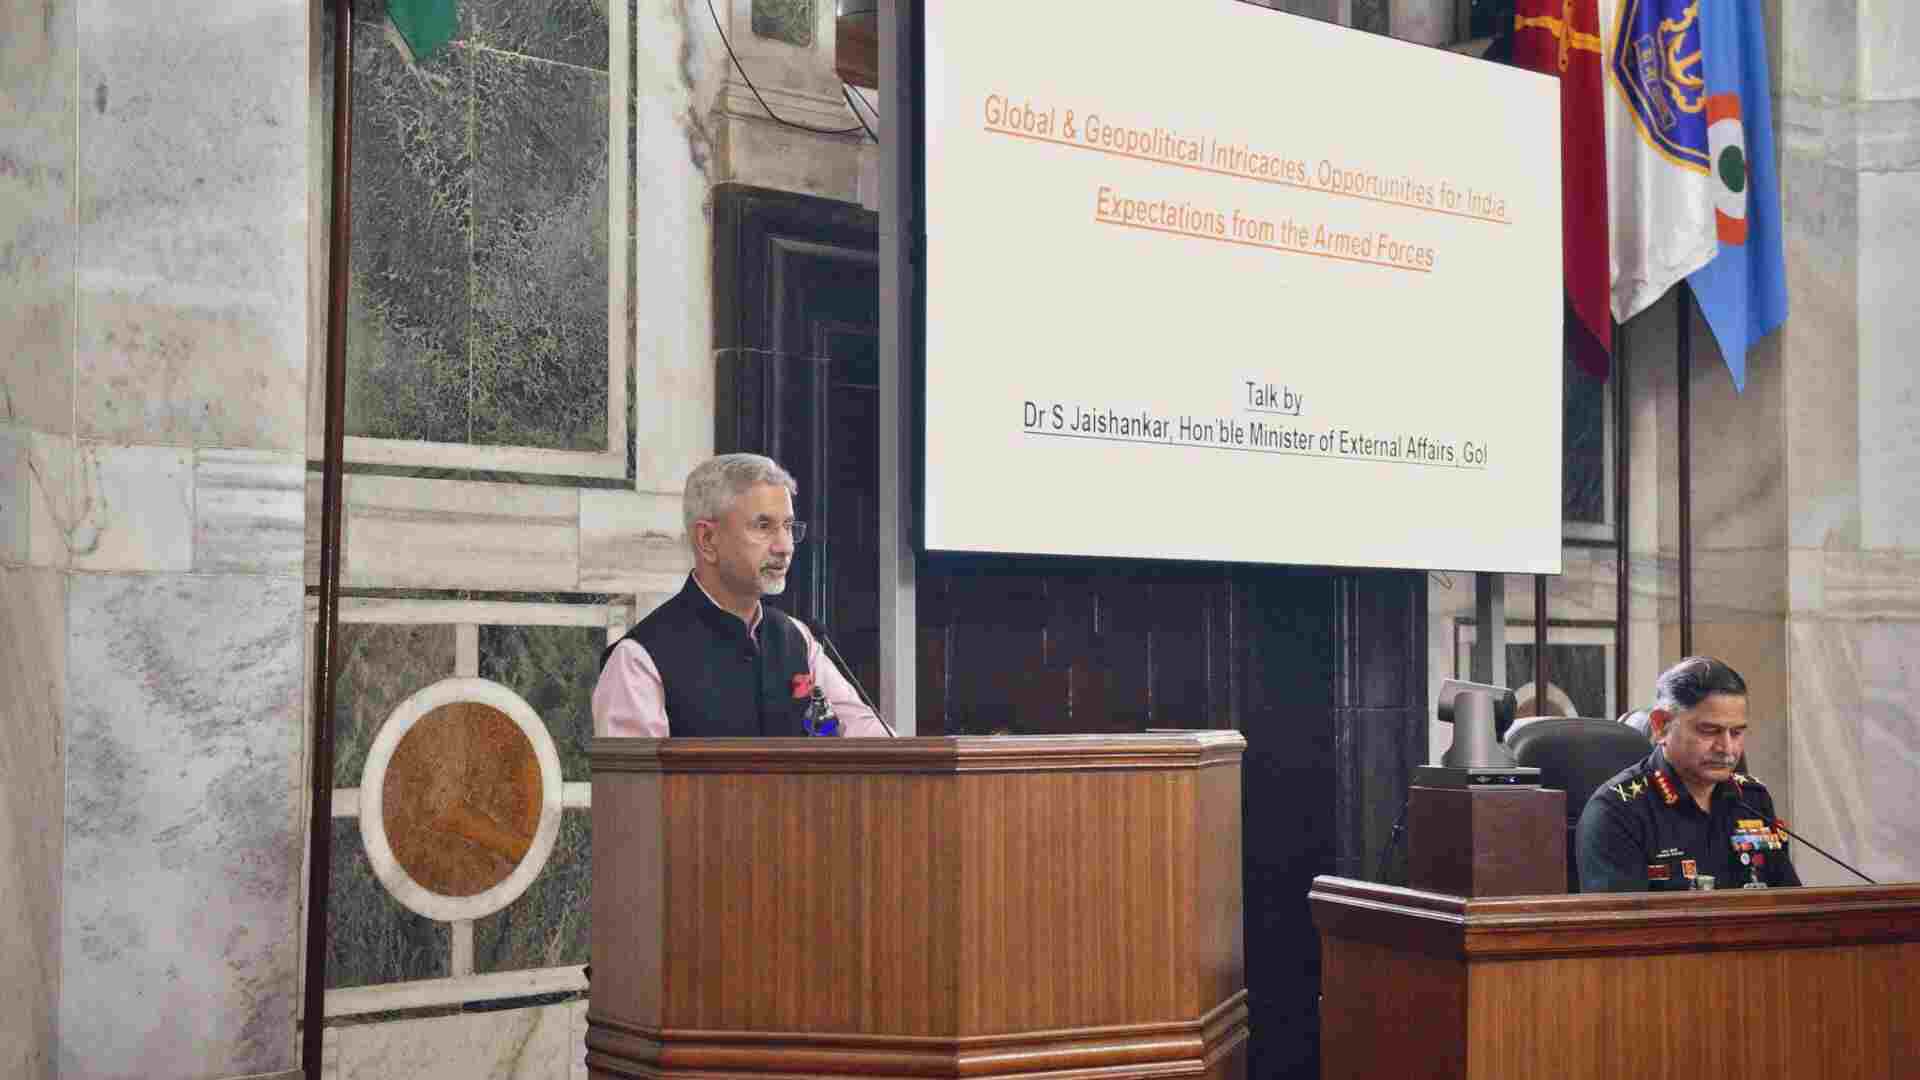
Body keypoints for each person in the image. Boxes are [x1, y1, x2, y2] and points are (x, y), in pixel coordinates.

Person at [591, 453, 888, 738]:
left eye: (787, 526)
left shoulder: (797, 638)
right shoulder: (638, 660)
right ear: (707, 540)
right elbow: (634, 787)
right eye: (763, 526)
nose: (785, 546)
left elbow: (870, 741)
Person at [1575, 657, 1798, 891]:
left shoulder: (1752, 799)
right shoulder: (1616, 812)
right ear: (1661, 726)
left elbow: (1790, 907)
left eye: (1737, 733)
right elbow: (1621, 925)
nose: (1727, 748)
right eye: (1709, 731)